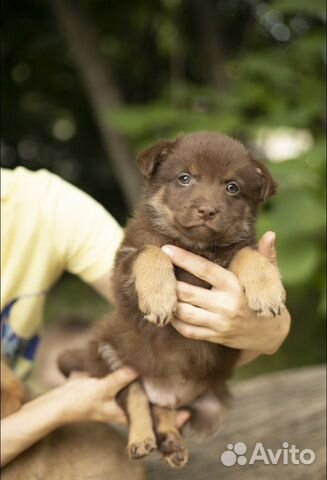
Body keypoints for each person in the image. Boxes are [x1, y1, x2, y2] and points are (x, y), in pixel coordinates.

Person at [0, 166, 291, 468]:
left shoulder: (42, 204)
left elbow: (149, 309)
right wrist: (61, 406)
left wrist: (270, 330)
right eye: (185, 179)